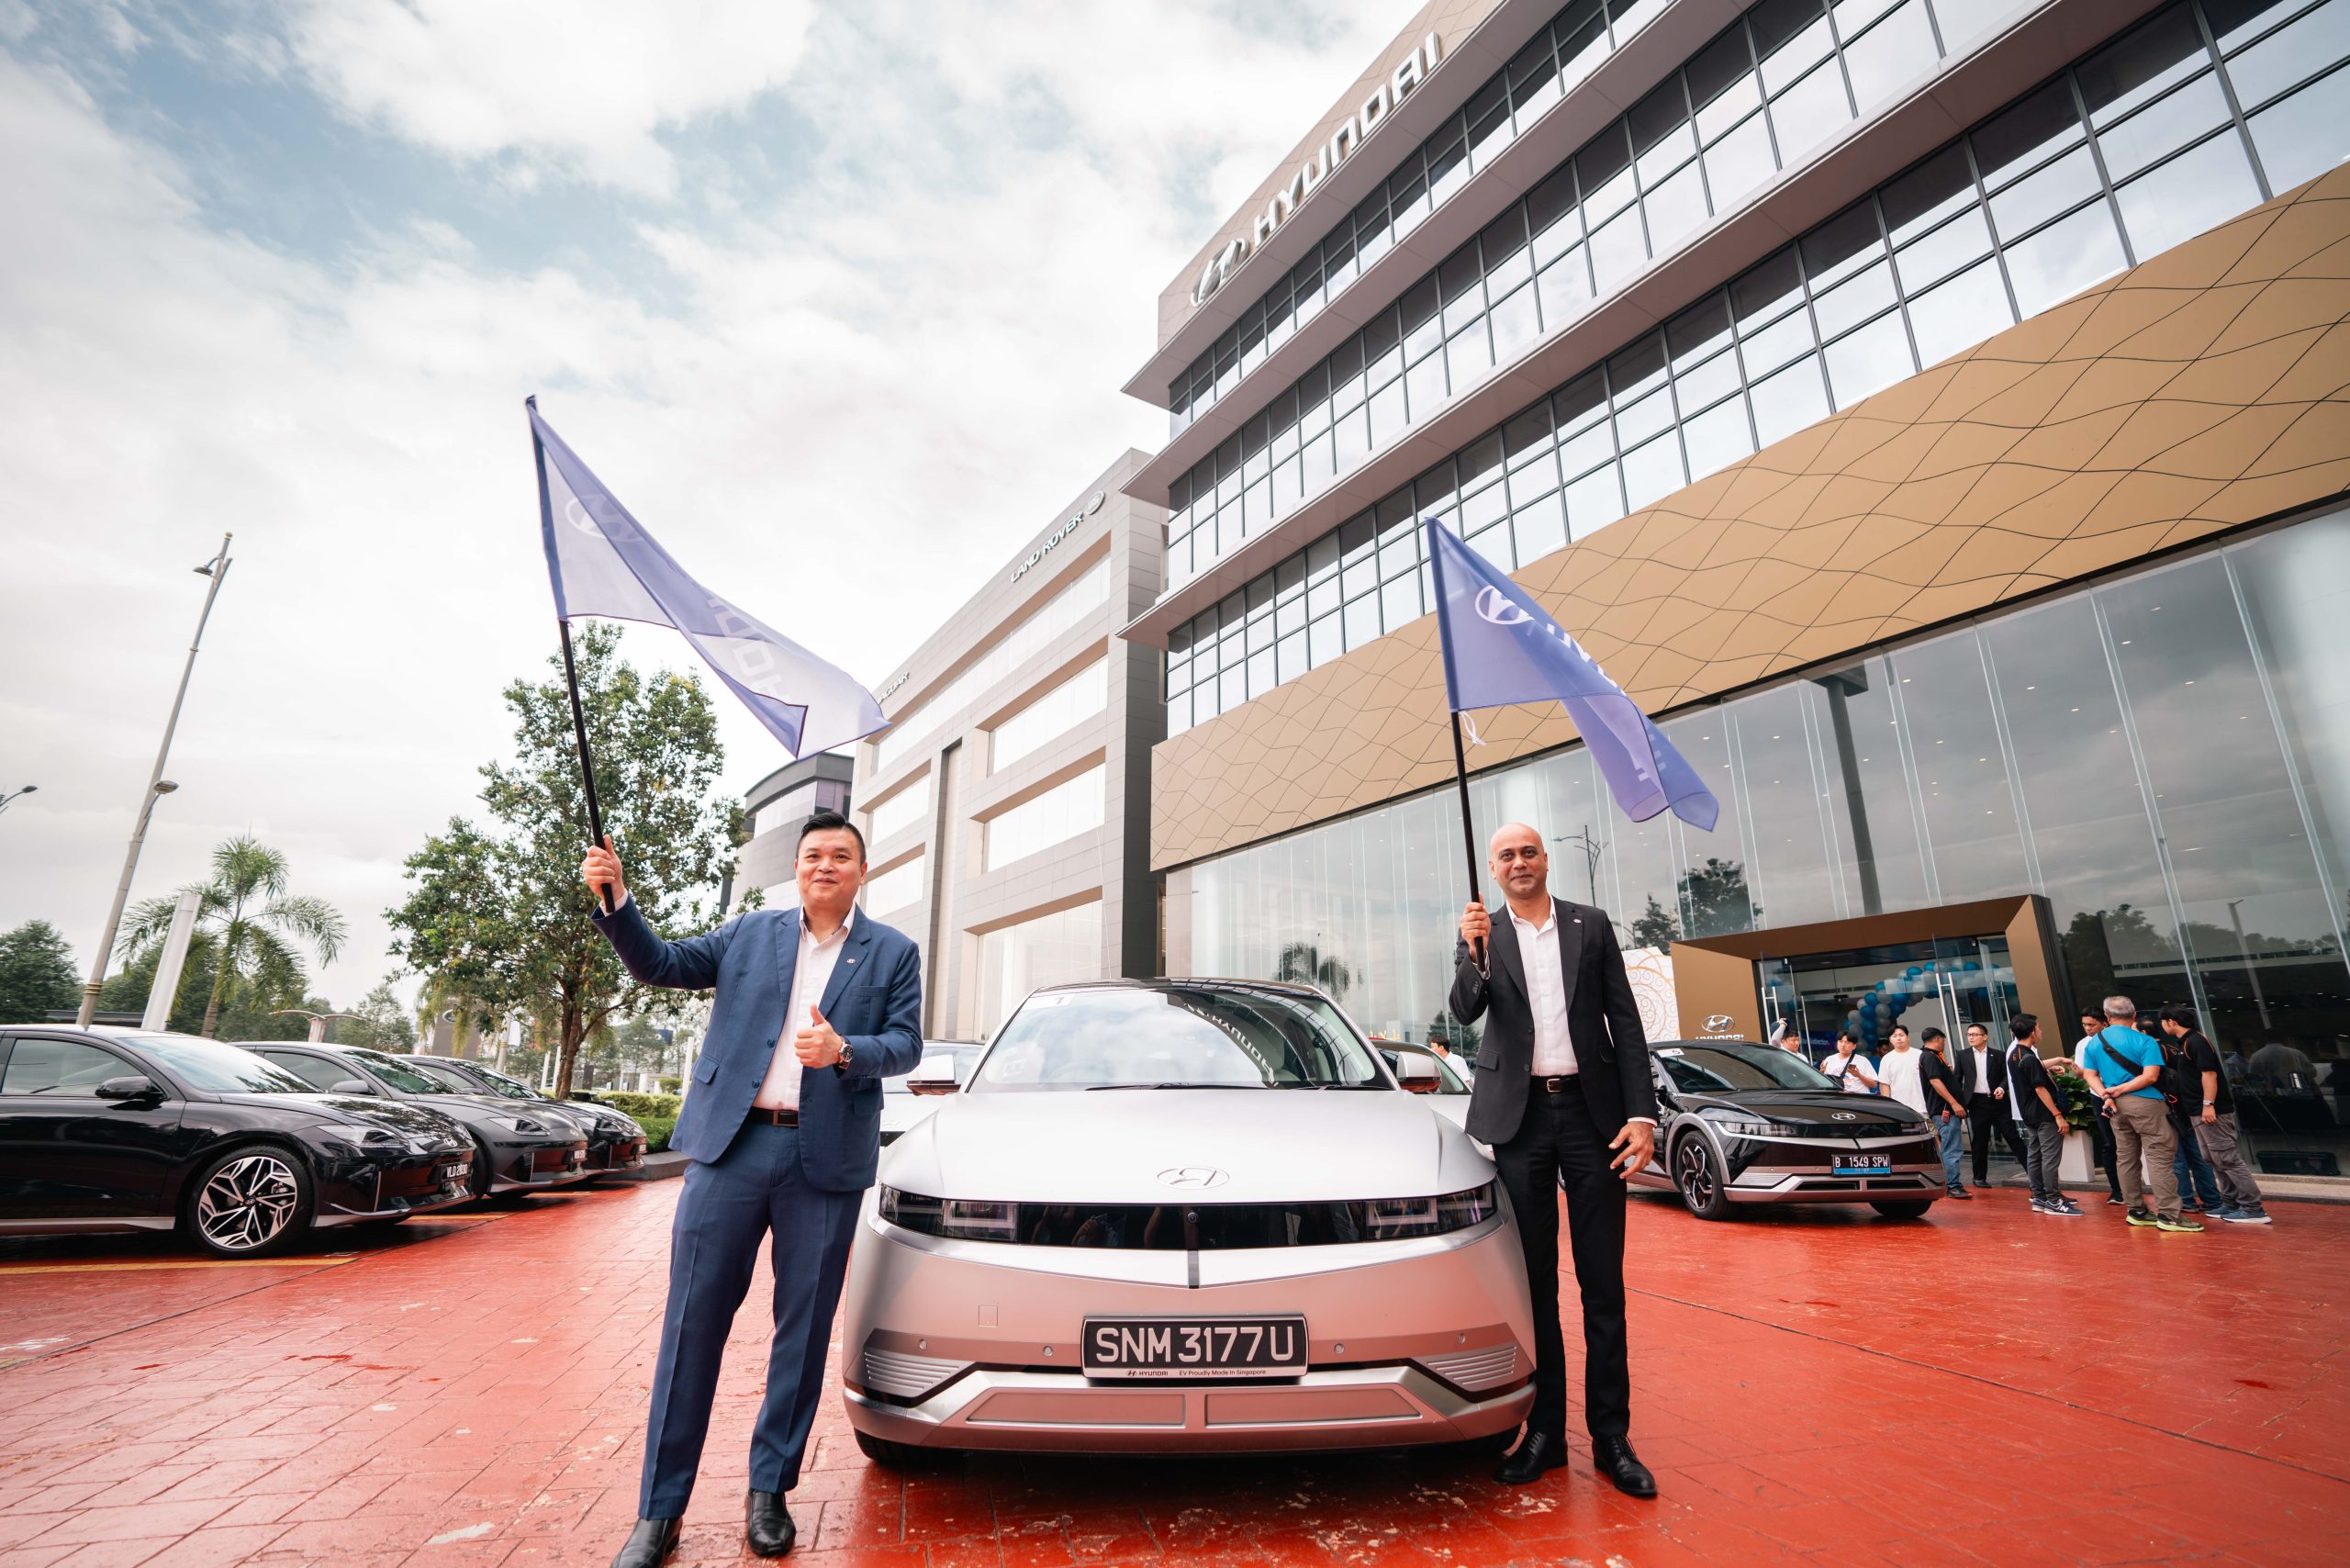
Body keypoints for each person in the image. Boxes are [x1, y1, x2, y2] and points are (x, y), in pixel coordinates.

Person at [583, 812, 924, 1568]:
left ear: (862, 871)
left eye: (841, 855)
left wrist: (844, 1050)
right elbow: (660, 964)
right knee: (690, 1327)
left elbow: (906, 1045)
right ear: (796, 868)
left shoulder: (893, 951)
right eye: (813, 855)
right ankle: (659, 1510)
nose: (825, 865)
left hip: (824, 1163)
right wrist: (617, 900)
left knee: (802, 1333)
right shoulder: (748, 933)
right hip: (729, 1151)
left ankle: (769, 1493)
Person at [1452, 823, 1658, 1498]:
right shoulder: (1482, 932)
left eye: (1528, 852)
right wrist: (1473, 954)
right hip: (1521, 1123)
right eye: (1506, 856)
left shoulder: (1589, 925)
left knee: (1602, 1282)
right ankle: (1545, 1433)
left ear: (1545, 860)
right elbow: (1464, 1010)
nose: (1519, 862)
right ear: (1493, 869)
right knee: (1534, 1284)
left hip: (1595, 1118)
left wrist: (1642, 1114)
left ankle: (1612, 1436)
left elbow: (1625, 1022)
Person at [2080, 996, 2199, 1233]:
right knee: (2159, 1157)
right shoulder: (2144, 1041)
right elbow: (2151, 1076)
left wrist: (2107, 1094)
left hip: (2115, 1107)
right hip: (2147, 1103)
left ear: (2107, 1017)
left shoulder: (2095, 1043)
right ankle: (2169, 1215)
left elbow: (2089, 1074)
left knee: (2126, 1158)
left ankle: (2136, 1210)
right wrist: (2121, 1089)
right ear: (2134, 1015)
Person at [2158, 1005, 2272, 1225]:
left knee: (2227, 1158)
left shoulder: (2196, 1041)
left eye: (2163, 1021)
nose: (2162, 1026)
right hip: (2197, 1111)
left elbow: (2209, 1074)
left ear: (2172, 1021)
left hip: (2211, 1111)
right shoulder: (2184, 1043)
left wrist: (2208, 1104)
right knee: (2213, 1158)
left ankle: (2252, 1208)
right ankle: (2231, 1203)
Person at [2005, 1015, 2079, 1215]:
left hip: (2029, 1114)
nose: (2041, 1031)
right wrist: (2057, 1115)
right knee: (2050, 1158)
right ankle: (2054, 1200)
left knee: (2035, 1155)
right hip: (2044, 1115)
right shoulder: (2029, 1058)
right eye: (2038, 1028)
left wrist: (2051, 1066)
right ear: (2032, 1033)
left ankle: (2039, 1197)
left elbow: (2033, 1070)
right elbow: (2040, 1088)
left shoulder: (2015, 1054)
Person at [1959, 1020, 2029, 1187]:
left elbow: (2007, 1076)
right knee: (1980, 1141)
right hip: (1977, 1103)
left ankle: (2032, 1171)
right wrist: (1959, 1103)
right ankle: (1979, 1178)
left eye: (1974, 1034)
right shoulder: (1963, 1055)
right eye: (1969, 1035)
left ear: (1985, 1037)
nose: (1970, 1037)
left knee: (2012, 1136)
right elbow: (1957, 1079)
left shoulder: (1998, 1055)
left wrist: (2002, 1088)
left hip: (1998, 1102)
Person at [2074, 1008, 2127, 1207]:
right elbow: (2083, 1074)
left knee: (2131, 1140)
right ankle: (2117, 1190)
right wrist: (2079, 1072)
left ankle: (2133, 1186)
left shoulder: (2120, 1039)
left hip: (2125, 1093)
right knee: (2109, 1142)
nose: (2087, 1028)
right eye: (2084, 1025)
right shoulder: (2083, 1044)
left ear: (2104, 1023)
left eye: (2091, 1025)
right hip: (2099, 1096)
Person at [1918, 1027, 1972, 1199]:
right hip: (1944, 1109)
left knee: (1951, 1147)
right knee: (1952, 1148)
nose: (1943, 1044)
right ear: (1936, 1039)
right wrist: (1954, 1103)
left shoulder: (1933, 1057)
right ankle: (1953, 1185)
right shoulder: (1929, 1057)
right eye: (1943, 1040)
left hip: (1945, 1109)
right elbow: (1935, 1081)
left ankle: (1951, 1183)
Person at [1875, 1025, 1924, 1116]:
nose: (1898, 1038)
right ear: (1890, 1040)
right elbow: (1884, 1084)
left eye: (1901, 1035)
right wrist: (1888, 1106)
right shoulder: (1886, 1059)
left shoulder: (1920, 1055)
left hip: (1923, 1107)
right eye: (1894, 1036)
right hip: (1900, 1109)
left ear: (1908, 1037)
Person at [1821, 1029, 1878, 1095]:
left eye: (1847, 1042)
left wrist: (1859, 1075)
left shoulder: (1862, 1060)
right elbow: (1824, 1084)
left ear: (1854, 1046)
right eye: (1840, 1041)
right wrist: (1821, 1073)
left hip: (1858, 1098)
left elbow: (1873, 1084)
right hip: (1837, 1098)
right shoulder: (1829, 1059)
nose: (1843, 1045)